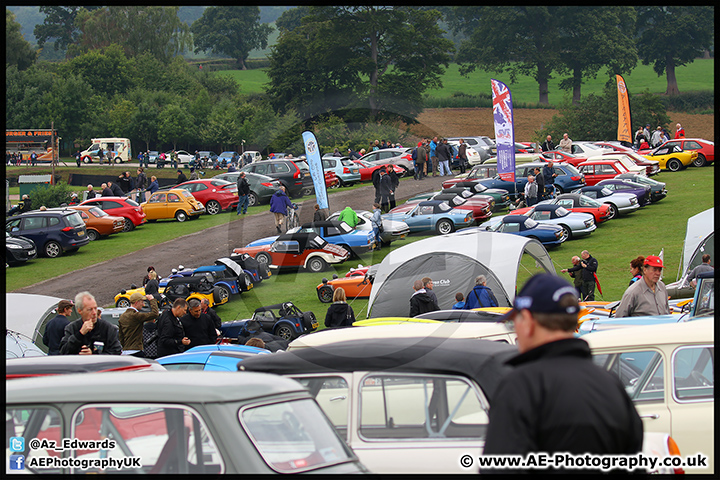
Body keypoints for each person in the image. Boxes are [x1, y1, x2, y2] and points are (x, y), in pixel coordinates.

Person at [482, 274, 643, 473]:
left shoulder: (521, 386)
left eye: (515, 322)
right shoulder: (611, 385)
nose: (516, 331)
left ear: (529, 322)